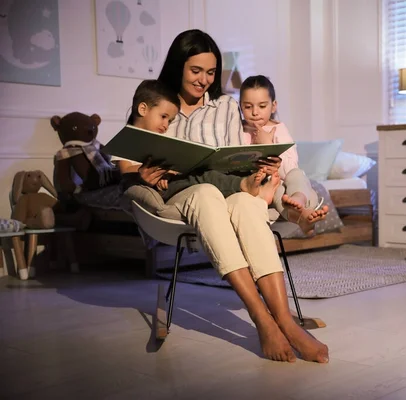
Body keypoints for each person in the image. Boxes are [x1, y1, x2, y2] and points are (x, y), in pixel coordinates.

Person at [148, 29, 328, 363]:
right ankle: (262, 319)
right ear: (179, 66)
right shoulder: (160, 104)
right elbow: (139, 154)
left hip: (227, 185)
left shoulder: (228, 107)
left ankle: (286, 322)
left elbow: (241, 153)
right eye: (195, 70)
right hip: (185, 192)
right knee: (204, 194)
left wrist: (262, 162)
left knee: (246, 203)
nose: (204, 80)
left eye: (211, 72)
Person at [115, 79, 279, 204]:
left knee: (204, 174)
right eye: (164, 117)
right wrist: (161, 170)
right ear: (143, 109)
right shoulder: (127, 139)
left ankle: (256, 183)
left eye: (170, 120)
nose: (166, 125)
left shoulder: (160, 138)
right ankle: (245, 186)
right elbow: (126, 171)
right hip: (160, 188)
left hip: (171, 179)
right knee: (201, 176)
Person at [239, 75, 329, 235]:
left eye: (262, 106)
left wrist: (270, 146)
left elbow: (290, 167)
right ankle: (302, 216)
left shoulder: (279, 129)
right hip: (259, 186)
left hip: (281, 182)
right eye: (247, 107)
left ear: (273, 106)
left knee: (297, 176)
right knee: (286, 193)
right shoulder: (239, 130)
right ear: (240, 107)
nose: (254, 112)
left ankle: (298, 200)